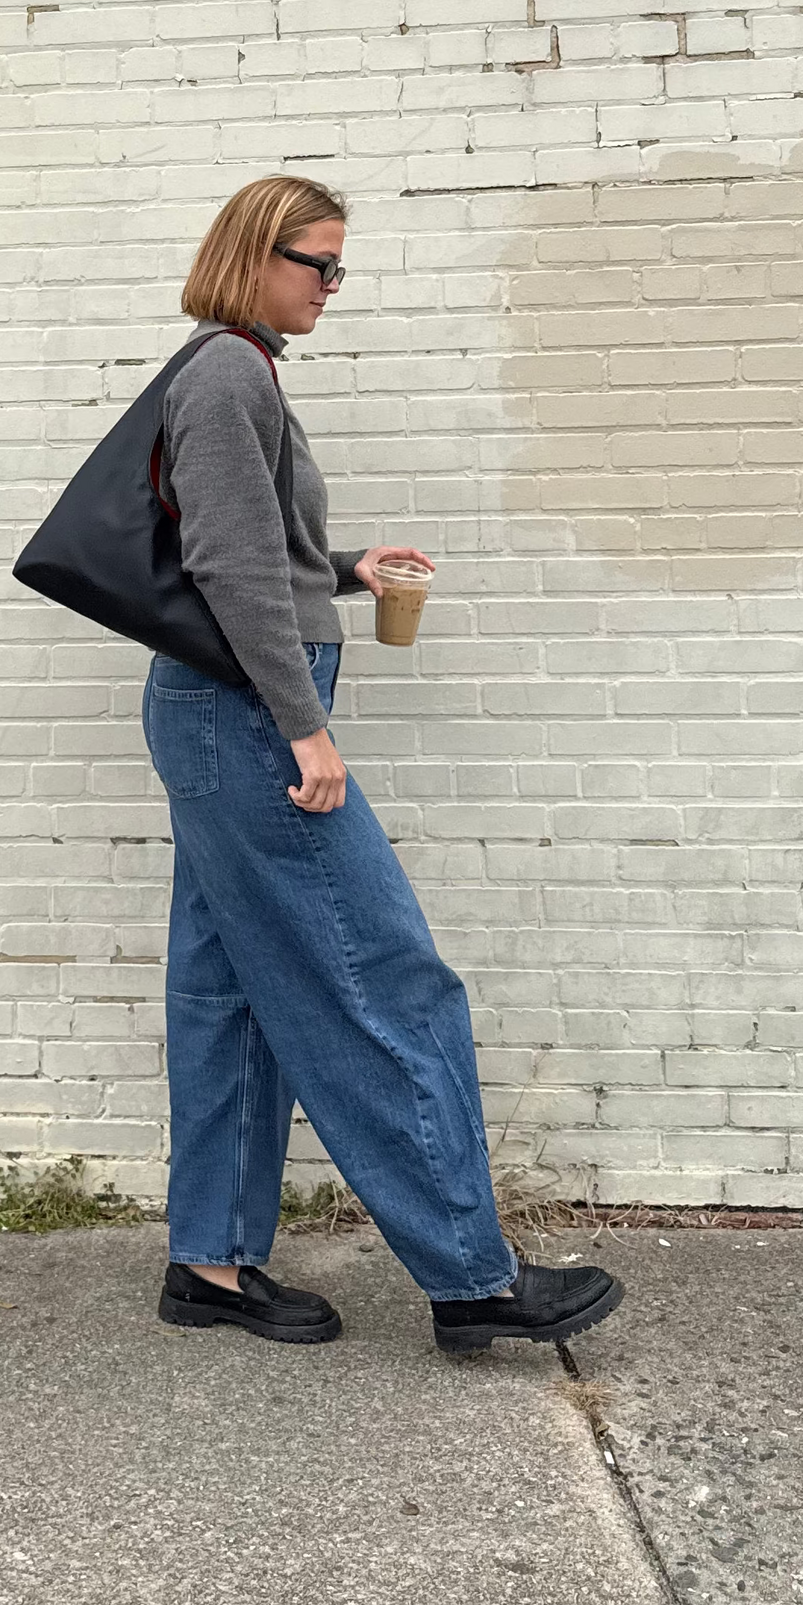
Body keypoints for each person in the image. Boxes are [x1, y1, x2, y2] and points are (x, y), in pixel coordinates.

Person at [141, 175, 623, 1356]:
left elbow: (262, 549)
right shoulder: (222, 374)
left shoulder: (236, 371)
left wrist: (344, 566)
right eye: (320, 263)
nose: (333, 287)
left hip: (227, 711)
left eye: (338, 266)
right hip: (248, 717)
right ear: (258, 256)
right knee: (386, 978)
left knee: (231, 992)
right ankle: (471, 1273)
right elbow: (229, 570)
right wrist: (304, 727)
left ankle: (208, 1257)